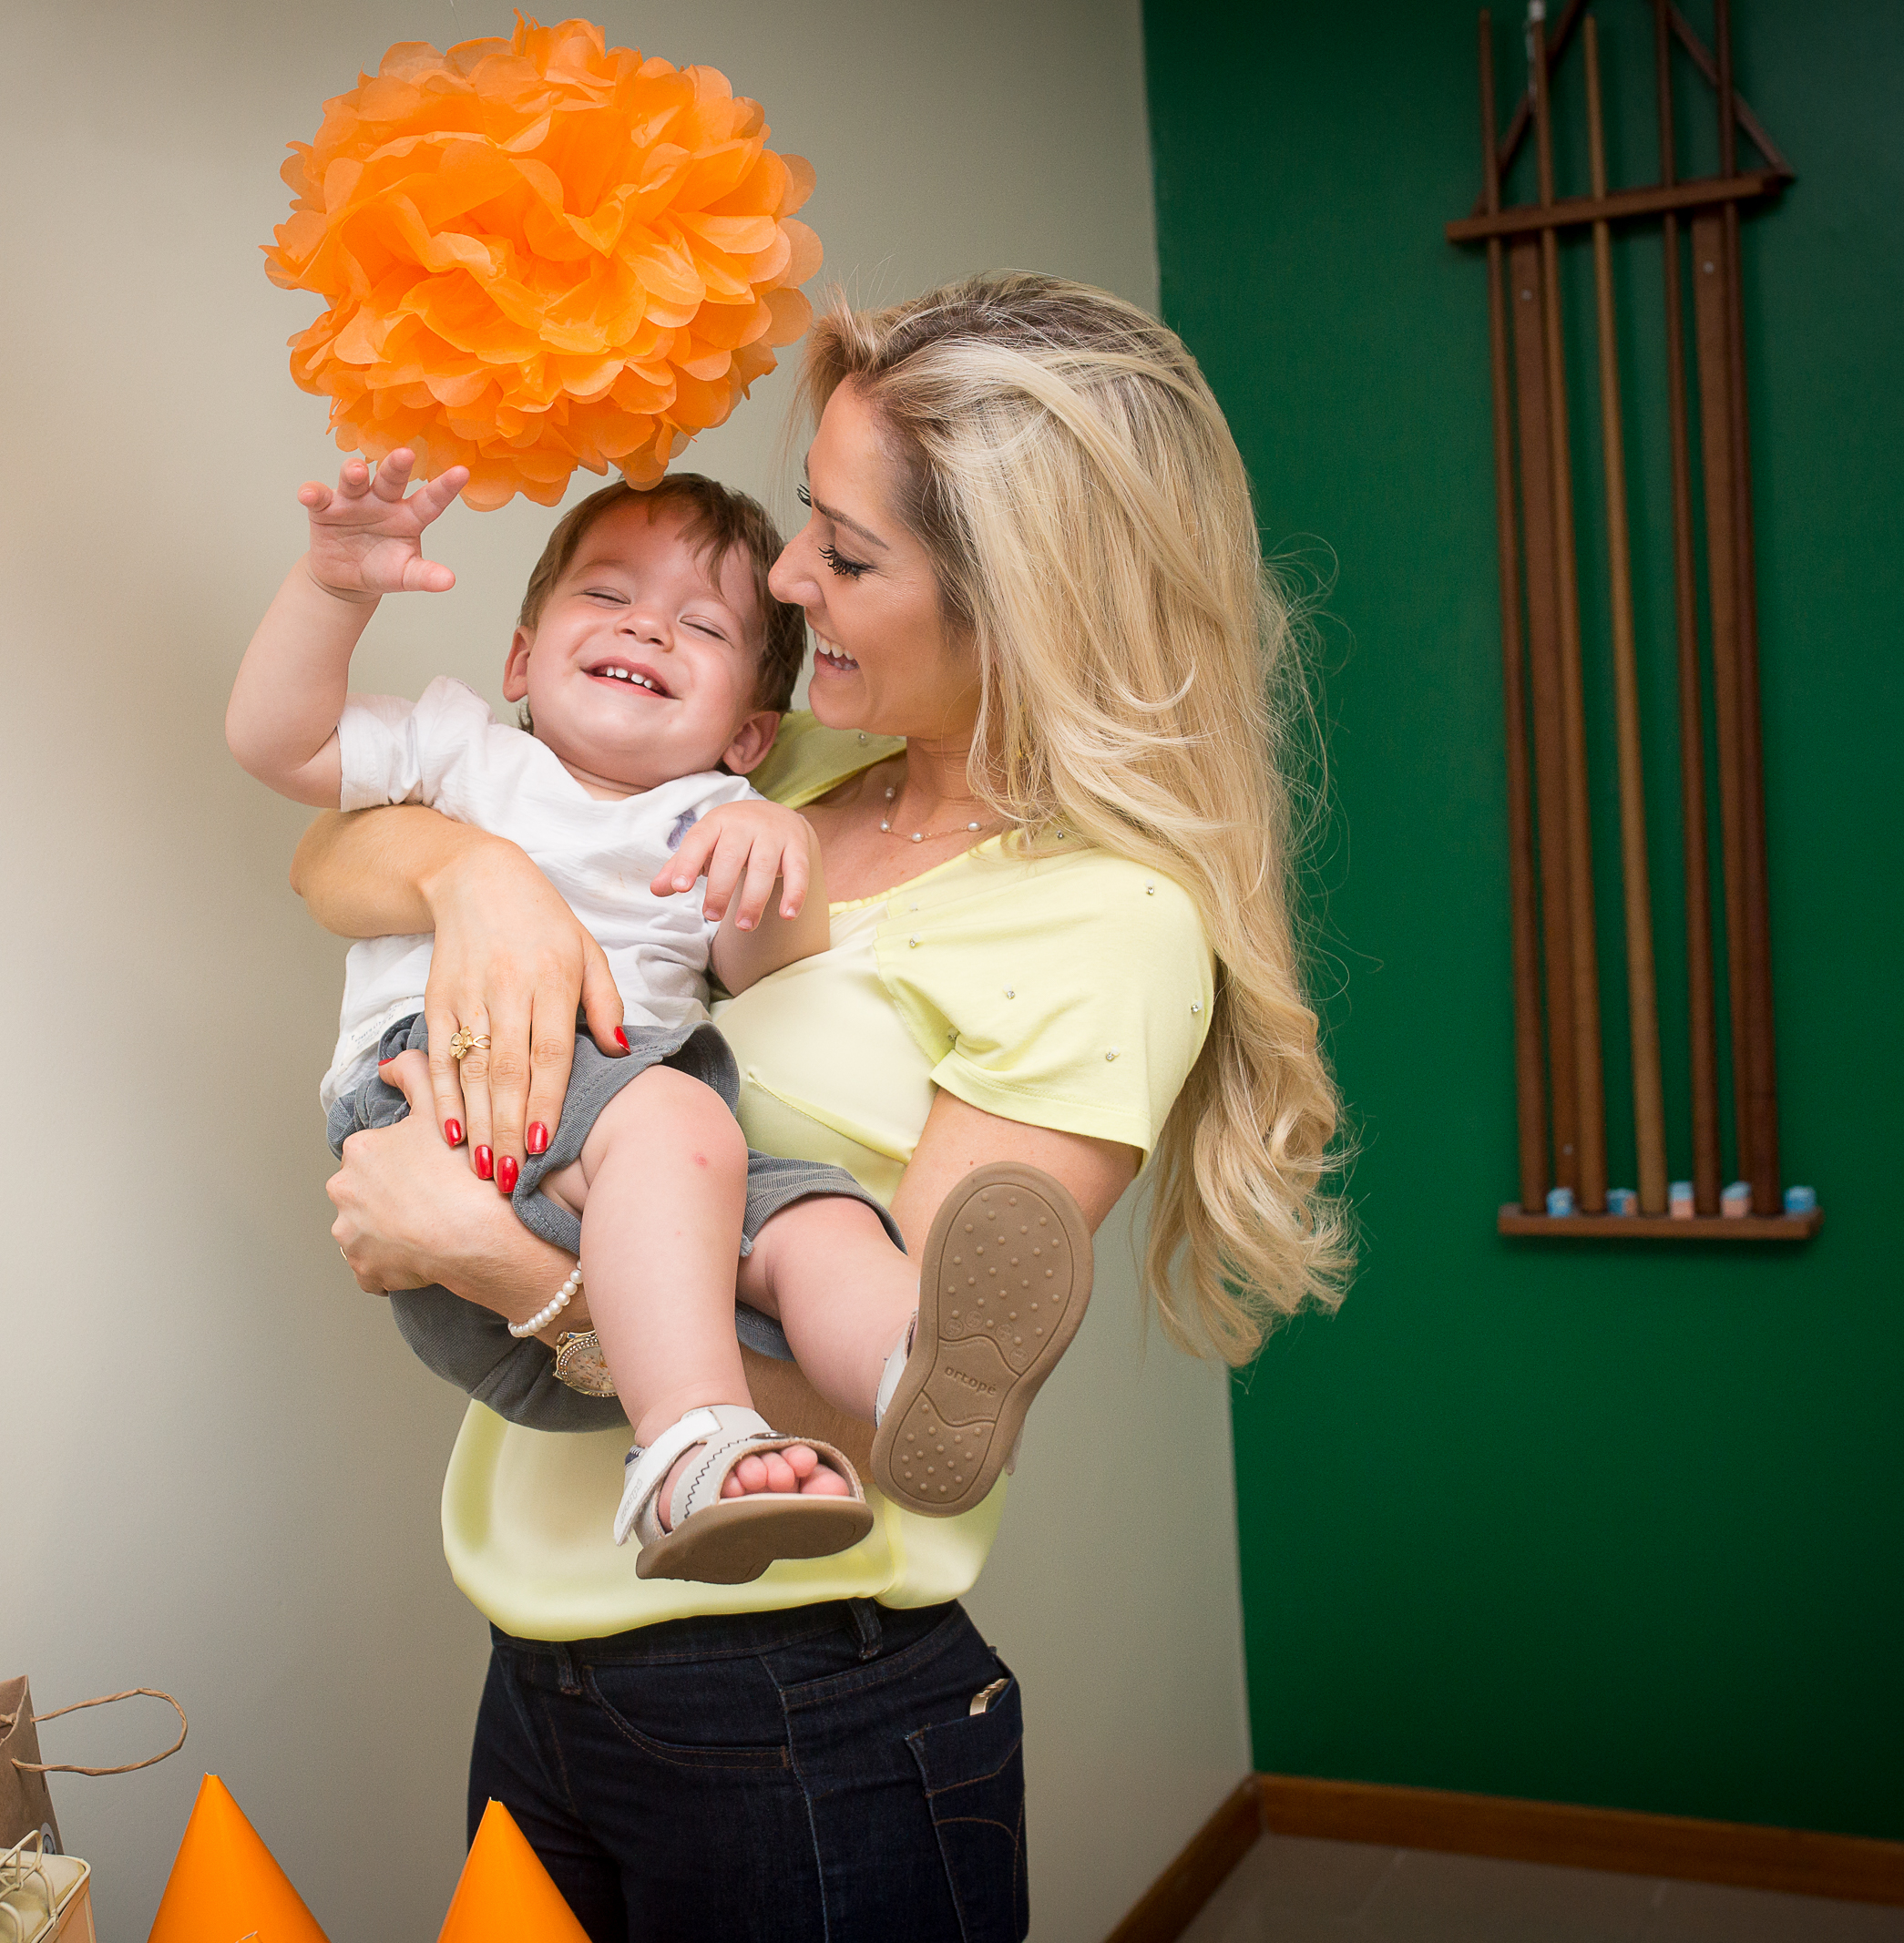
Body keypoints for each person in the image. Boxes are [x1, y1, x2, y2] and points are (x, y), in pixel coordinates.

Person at [293, 271, 1349, 1940]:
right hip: (540, 1655)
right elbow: (332, 853)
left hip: (798, 1698)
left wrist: (506, 1270)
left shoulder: (1103, 922)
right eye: (807, 522)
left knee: (815, 1247)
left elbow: (903, 1447)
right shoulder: (773, 763)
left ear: (1019, 605)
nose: (783, 581)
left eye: (846, 556)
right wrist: (477, 876)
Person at [226, 459, 1099, 1581]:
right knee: (683, 1124)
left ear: (749, 736)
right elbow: (278, 743)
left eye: (702, 626)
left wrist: (781, 858)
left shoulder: (718, 816)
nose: (645, 627)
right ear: (519, 659)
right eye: (605, 594)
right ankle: (687, 1444)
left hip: (632, 1170)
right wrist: (334, 587)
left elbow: (766, 971)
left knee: (819, 1221)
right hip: (448, 1103)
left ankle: (921, 1376)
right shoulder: (463, 757)